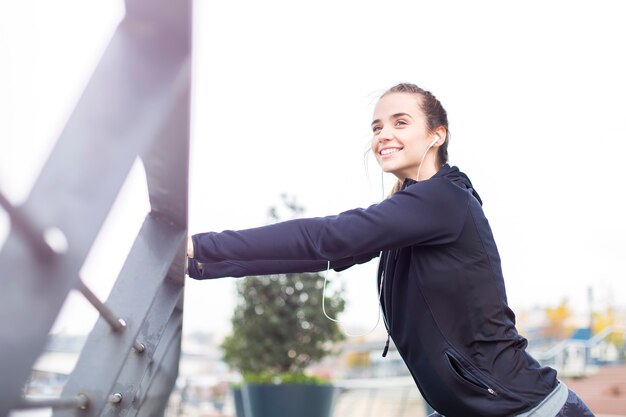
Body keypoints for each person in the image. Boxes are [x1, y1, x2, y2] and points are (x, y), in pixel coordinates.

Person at [186, 83, 594, 417]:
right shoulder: (412, 210)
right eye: (377, 126)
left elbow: (328, 238)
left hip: (522, 408)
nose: (384, 134)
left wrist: (201, 246)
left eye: (400, 122)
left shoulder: (443, 201)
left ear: (437, 134)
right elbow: (325, 251)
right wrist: (201, 262)